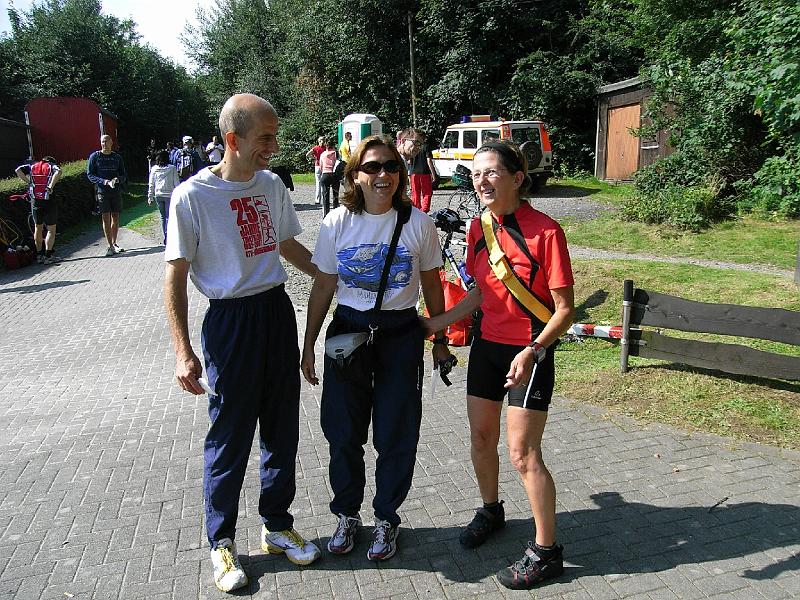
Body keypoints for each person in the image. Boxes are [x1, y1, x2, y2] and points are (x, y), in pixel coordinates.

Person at [164, 93, 321, 593]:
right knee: (230, 435)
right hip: (230, 322)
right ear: (233, 139)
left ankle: (276, 526)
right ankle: (221, 542)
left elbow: (284, 244)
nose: (273, 147)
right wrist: (182, 351)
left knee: (281, 428)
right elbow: (175, 276)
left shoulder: (271, 184)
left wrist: (328, 274)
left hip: (275, 311)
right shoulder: (192, 196)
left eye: (274, 136)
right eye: (265, 138)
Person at [424, 140, 575, 590]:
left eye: (491, 172)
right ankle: (491, 510)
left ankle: (547, 551)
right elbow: (479, 294)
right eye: (476, 174)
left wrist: (534, 350)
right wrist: (433, 325)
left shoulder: (546, 231)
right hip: (487, 348)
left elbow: (565, 310)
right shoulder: (478, 228)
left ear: (517, 178)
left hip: (530, 351)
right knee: (481, 438)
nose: (482, 181)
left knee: (523, 454)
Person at [301, 134, 451, 562]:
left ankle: (386, 517)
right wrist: (308, 345)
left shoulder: (418, 223)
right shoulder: (336, 223)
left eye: (391, 166)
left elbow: (432, 285)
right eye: (372, 167)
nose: (383, 174)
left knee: (396, 433)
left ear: (400, 173)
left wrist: (440, 342)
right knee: (342, 433)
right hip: (348, 331)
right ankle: (346, 514)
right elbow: (324, 285)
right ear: (354, 175)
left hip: (400, 334)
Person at [15, 155, 62, 264]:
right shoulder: (52, 166)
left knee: (38, 228)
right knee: (51, 229)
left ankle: (39, 256)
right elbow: (58, 172)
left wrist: (29, 182)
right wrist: (50, 186)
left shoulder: (32, 166)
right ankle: (48, 256)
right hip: (49, 201)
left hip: (35, 201)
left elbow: (17, 170)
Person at [87, 134, 127, 256]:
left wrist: (117, 180)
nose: (104, 144)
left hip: (115, 191)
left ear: (111, 142)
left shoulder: (117, 157)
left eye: (106, 141)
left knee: (115, 217)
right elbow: (90, 175)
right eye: (102, 142)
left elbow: (123, 175)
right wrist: (104, 182)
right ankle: (109, 246)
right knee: (105, 217)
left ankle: (114, 243)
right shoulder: (95, 156)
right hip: (102, 192)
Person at [147, 150, 180, 245]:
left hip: (158, 194)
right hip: (170, 195)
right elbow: (176, 183)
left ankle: (165, 235)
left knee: (162, 217)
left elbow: (151, 183)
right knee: (169, 217)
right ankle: (169, 235)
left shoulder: (154, 169)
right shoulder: (172, 168)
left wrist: (150, 197)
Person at [408, 132, 438, 213]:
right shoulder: (426, 147)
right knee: (427, 192)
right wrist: (433, 174)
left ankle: (416, 210)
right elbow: (429, 161)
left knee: (415, 193)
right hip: (425, 172)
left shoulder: (413, 147)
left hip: (414, 172)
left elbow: (409, 160)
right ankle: (424, 210)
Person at [318, 140, 339, 217]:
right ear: (333, 146)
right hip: (333, 174)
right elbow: (338, 164)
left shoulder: (323, 154)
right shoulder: (336, 153)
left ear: (326, 146)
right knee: (335, 194)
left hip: (325, 174)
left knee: (325, 195)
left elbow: (321, 166)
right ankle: (336, 213)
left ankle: (326, 215)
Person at [305, 136, 325, 205]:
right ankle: (324, 198)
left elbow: (307, 154)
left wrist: (313, 158)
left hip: (317, 165)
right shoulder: (325, 148)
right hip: (323, 166)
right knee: (323, 183)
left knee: (318, 183)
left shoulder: (315, 148)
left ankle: (317, 200)